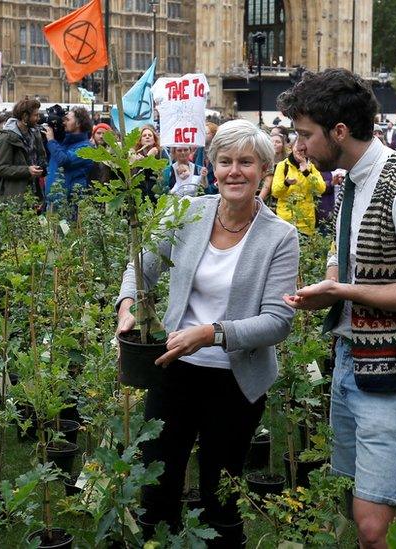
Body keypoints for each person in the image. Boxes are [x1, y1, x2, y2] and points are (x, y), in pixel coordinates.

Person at [278, 69, 396, 549]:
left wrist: (345, 294)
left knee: (373, 523)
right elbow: (345, 261)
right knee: (378, 508)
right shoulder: (351, 180)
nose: (300, 145)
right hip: (353, 363)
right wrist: (324, 288)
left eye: (306, 134)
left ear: (339, 132)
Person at [116, 118, 299, 548]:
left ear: (263, 170)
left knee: (221, 492)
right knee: (158, 480)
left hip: (234, 380)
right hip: (173, 368)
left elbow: (277, 321)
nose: (234, 171)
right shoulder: (189, 213)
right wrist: (127, 306)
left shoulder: (280, 236)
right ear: (211, 167)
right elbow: (141, 265)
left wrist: (211, 333)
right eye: (225, 161)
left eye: (246, 162)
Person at [0, 98, 46, 200]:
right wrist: (27, 170)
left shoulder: (35, 134)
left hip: (34, 193)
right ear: (25, 117)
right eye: (35, 115)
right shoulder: (6, 138)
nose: (38, 118)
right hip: (14, 197)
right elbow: (0, 169)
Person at [271, 137, 327, 235]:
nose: (300, 151)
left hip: (306, 222)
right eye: (297, 147)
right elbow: (275, 192)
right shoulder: (283, 166)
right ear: (291, 148)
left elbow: (321, 189)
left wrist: (307, 173)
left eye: (303, 149)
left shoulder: (312, 166)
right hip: (286, 220)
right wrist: (286, 183)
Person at [45, 106, 97, 209]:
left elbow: (64, 160)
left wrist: (51, 140)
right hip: (52, 202)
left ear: (78, 124)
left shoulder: (86, 148)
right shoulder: (63, 143)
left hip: (69, 204)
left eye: (67, 120)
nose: (64, 122)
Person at [131, 124, 162, 202]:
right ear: (140, 140)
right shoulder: (136, 155)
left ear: (154, 139)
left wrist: (148, 159)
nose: (147, 137)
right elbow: (136, 176)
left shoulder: (161, 153)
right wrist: (147, 158)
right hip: (142, 194)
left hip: (156, 193)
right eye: (144, 135)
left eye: (150, 135)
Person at [258, 133, 289, 204]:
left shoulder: (288, 162)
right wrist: (259, 201)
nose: (274, 144)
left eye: (278, 142)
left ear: (283, 145)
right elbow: (267, 185)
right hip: (266, 199)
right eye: (271, 142)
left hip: (282, 198)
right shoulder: (265, 160)